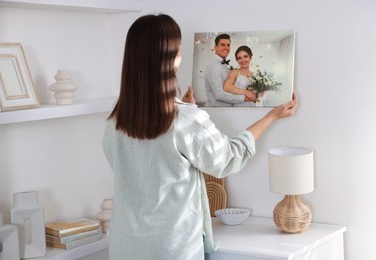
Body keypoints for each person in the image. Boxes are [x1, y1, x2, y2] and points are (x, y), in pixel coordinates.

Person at [102, 14, 298, 260]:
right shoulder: (183, 119)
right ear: (171, 59)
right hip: (171, 248)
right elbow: (228, 158)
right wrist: (271, 117)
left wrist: (190, 113)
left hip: (124, 247)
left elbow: (141, 170)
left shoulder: (114, 121)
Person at [204, 34, 256, 106]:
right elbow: (219, 95)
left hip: (231, 108)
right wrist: (244, 97)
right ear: (215, 47)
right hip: (217, 109)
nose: (226, 48)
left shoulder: (227, 67)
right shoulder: (213, 67)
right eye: (222, 45)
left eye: (228, 45)